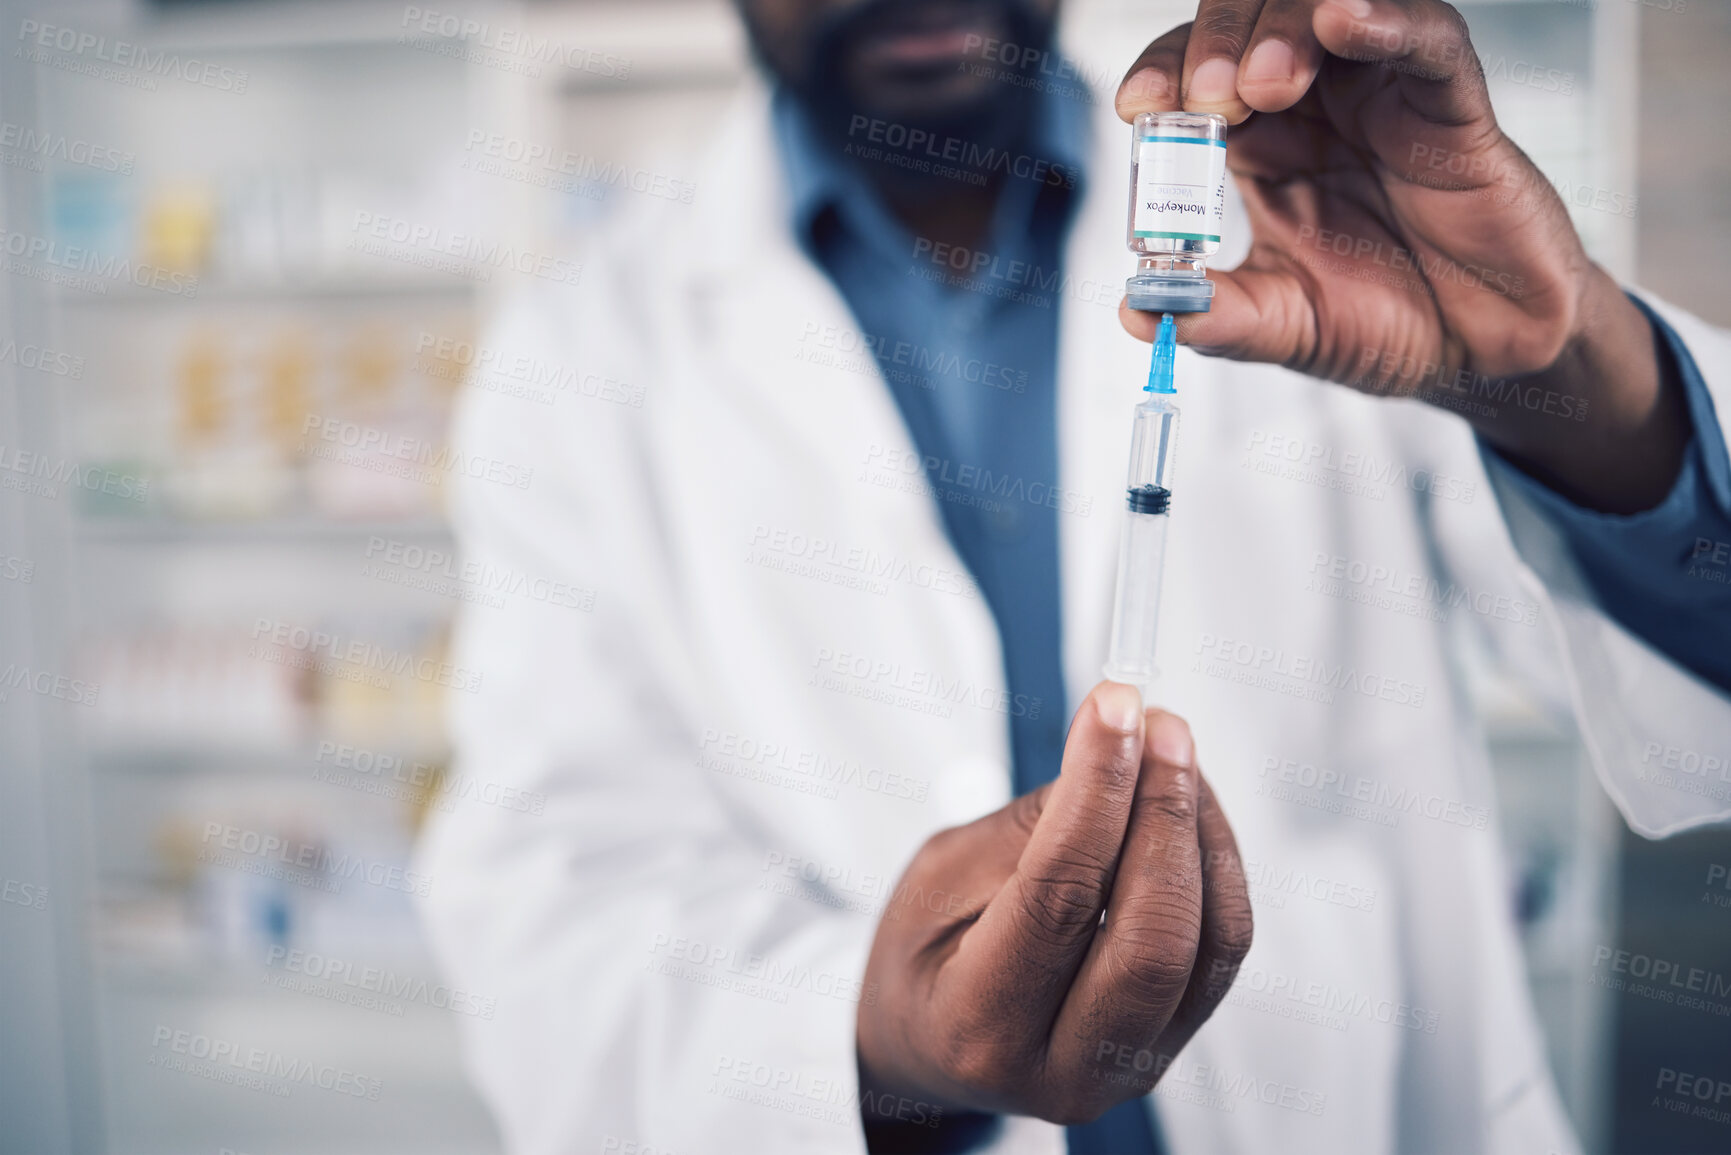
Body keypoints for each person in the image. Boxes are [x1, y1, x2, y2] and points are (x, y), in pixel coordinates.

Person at [415, 0, 1731, 1151]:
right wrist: (875, 1031)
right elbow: (552, 907)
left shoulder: (1317, 197)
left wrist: (1575, 380)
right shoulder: (572, 363)